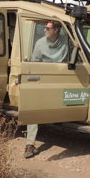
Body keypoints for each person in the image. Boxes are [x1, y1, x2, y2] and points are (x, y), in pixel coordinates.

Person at [24, 20, 69, 159]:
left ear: (56, 30)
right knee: (34, 107)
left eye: (47, 28)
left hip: (62, 79)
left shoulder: (66, 42)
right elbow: (35, 63)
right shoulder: (40, 43)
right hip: (45, 79)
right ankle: (29, 144)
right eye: (44, 28)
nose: (44, 30)